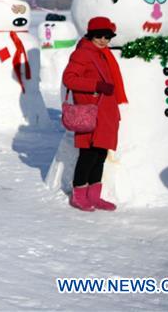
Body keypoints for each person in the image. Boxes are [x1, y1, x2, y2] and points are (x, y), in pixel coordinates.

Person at [62, 16, 128, 212]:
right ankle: (79, 196)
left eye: (107, 37)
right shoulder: (83, 53)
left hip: (106, 113)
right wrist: (96, 85)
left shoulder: (103, 54)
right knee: (88, 156)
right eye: (99, 36)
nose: (103, 40)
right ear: (90, 35)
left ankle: (94, 196)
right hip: (90, 112)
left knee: (100, 155)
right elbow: (69, 79)